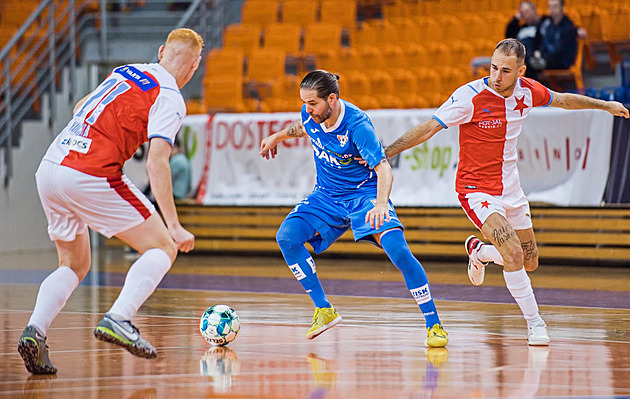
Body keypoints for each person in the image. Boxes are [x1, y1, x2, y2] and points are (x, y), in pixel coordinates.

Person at [382, 39, 629, 346]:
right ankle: (535, 322)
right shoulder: (469, 97)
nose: (496, 76)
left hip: (511, 188)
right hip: (475, 190)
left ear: (520, 71)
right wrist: (386, 152)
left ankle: (479, 252)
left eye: (505, 70)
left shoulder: (527, 90)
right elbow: (429, 128)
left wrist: (605, 105)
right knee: (512, 253)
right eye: (493, 67)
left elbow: (563, 100)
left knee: (529, 260)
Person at [17, 28, 202, 374]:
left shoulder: (125, 71)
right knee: (163, 247)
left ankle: (35, 332)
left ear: (161, 51)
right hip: (89, 171)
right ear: (193, 69)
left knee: (72, 265)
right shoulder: (170, 95)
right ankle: (119, 317)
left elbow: (79, 107)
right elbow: (157, 161)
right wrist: (174, 226)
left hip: (51, 165)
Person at [259, 70, 448, 348]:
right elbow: (302, 127)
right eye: (304, 103)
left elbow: (384, 168)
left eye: (313, 103)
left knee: (398, 250)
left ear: (332, 99)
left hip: (364, 195)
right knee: (287, 237)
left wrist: (381, 204)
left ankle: (434, 325)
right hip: (326, 195)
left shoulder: (357, 125)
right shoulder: (310, 114)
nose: (307, 109)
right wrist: (278, 136)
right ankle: (324, 309)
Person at [528, 0, 578, 76]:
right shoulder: (549, 24)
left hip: (562, 60)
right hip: (549, 58)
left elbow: (559, 50)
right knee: (529, 61)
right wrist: (539, 52)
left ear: (562, 7)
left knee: (532, 66)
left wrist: (543, 57)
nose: (552, 9)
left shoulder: (567, 27)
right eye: (550, 6)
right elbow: (545, 43)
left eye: (555, 6)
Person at [505, 1, 541, 78]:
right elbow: (509, 37)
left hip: (536, 63)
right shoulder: (521, 28)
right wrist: (516, 18)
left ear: (534, 10)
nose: (526, 15)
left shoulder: (542, 25)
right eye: (523, 13)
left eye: (527, 11)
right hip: (522, 62)